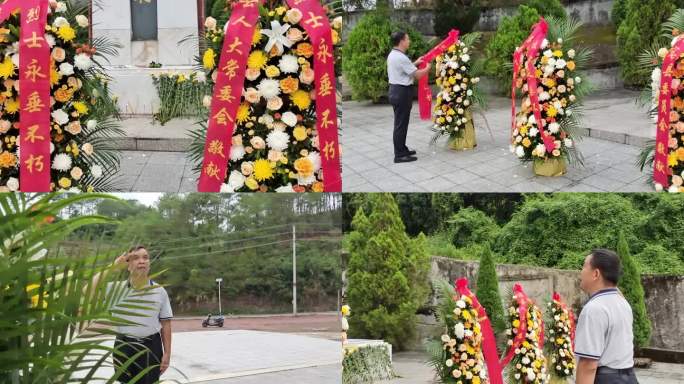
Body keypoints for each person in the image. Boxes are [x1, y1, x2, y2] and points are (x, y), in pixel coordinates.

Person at [109, 246, 173, 384]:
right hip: (124, 347)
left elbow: (166, 323)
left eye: (145, 257)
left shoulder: (159, 291)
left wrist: (167, 354)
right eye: (135, 258)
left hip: (151, 347)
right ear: (127, 265)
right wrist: (113, 268)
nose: (142, 261)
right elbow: (86, 290)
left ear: (149, 264)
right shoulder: (115, 290)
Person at [575, 249, 638, 384]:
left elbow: (588, 365)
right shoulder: (622, 303)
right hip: (629, 377)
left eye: (584, 266)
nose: (581, 272)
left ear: (596, 274)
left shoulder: (594, 309)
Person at [387, 31, 431, 163]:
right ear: (401, 41)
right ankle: (399, 155)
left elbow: (406, 68)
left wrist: (416, 62)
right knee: (401, 124)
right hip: (401, 92)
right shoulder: (400, 57)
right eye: (407, 39)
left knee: (401, 123)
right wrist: (428, 68)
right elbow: (417, 75)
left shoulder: (395, 54)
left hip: (396, 90)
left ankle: (402, 148)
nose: (409, 41)